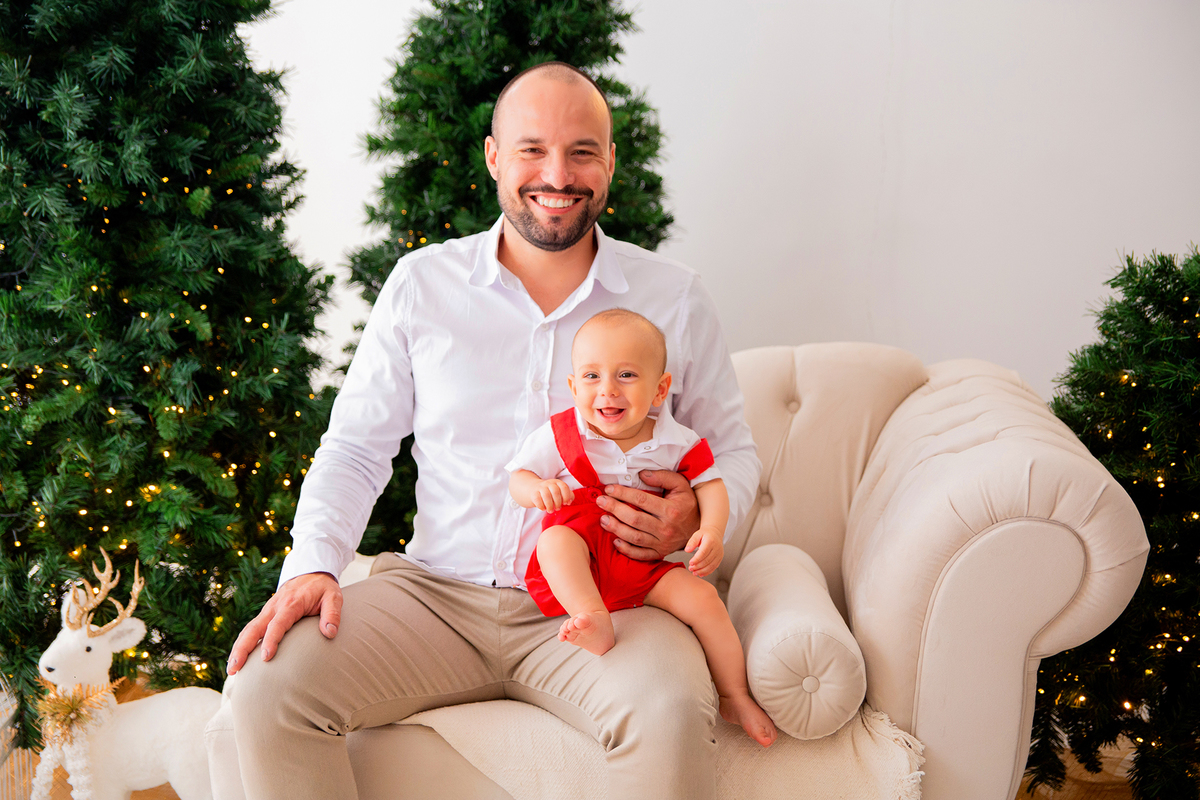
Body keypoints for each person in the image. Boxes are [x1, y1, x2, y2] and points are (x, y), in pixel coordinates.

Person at [225, 61, 761, 800]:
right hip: (434, 598)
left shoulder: (674, 296)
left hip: (607, 602)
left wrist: (696, 515)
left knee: (668, 712)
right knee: (265, 689)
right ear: (494, 157)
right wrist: (314, 565)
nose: (557, 174)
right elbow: (355, 448)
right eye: (532, 149)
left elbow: (731, 451)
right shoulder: (421, 285)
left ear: (610, 162)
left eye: (581, 152)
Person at [509, 308, 777, 747]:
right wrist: (537, 489)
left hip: (640, 562)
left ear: (660, 388)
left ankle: (734, 694)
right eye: (592, 376)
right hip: (583, 558)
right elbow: (517, 476)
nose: (607, 390)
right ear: (574, 387)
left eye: (627, 375)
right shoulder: (561, 433)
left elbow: (710, 485)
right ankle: (592, 617)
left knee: (704, 599)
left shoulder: (678, 441)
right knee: (553, 540)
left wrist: (711, 530)